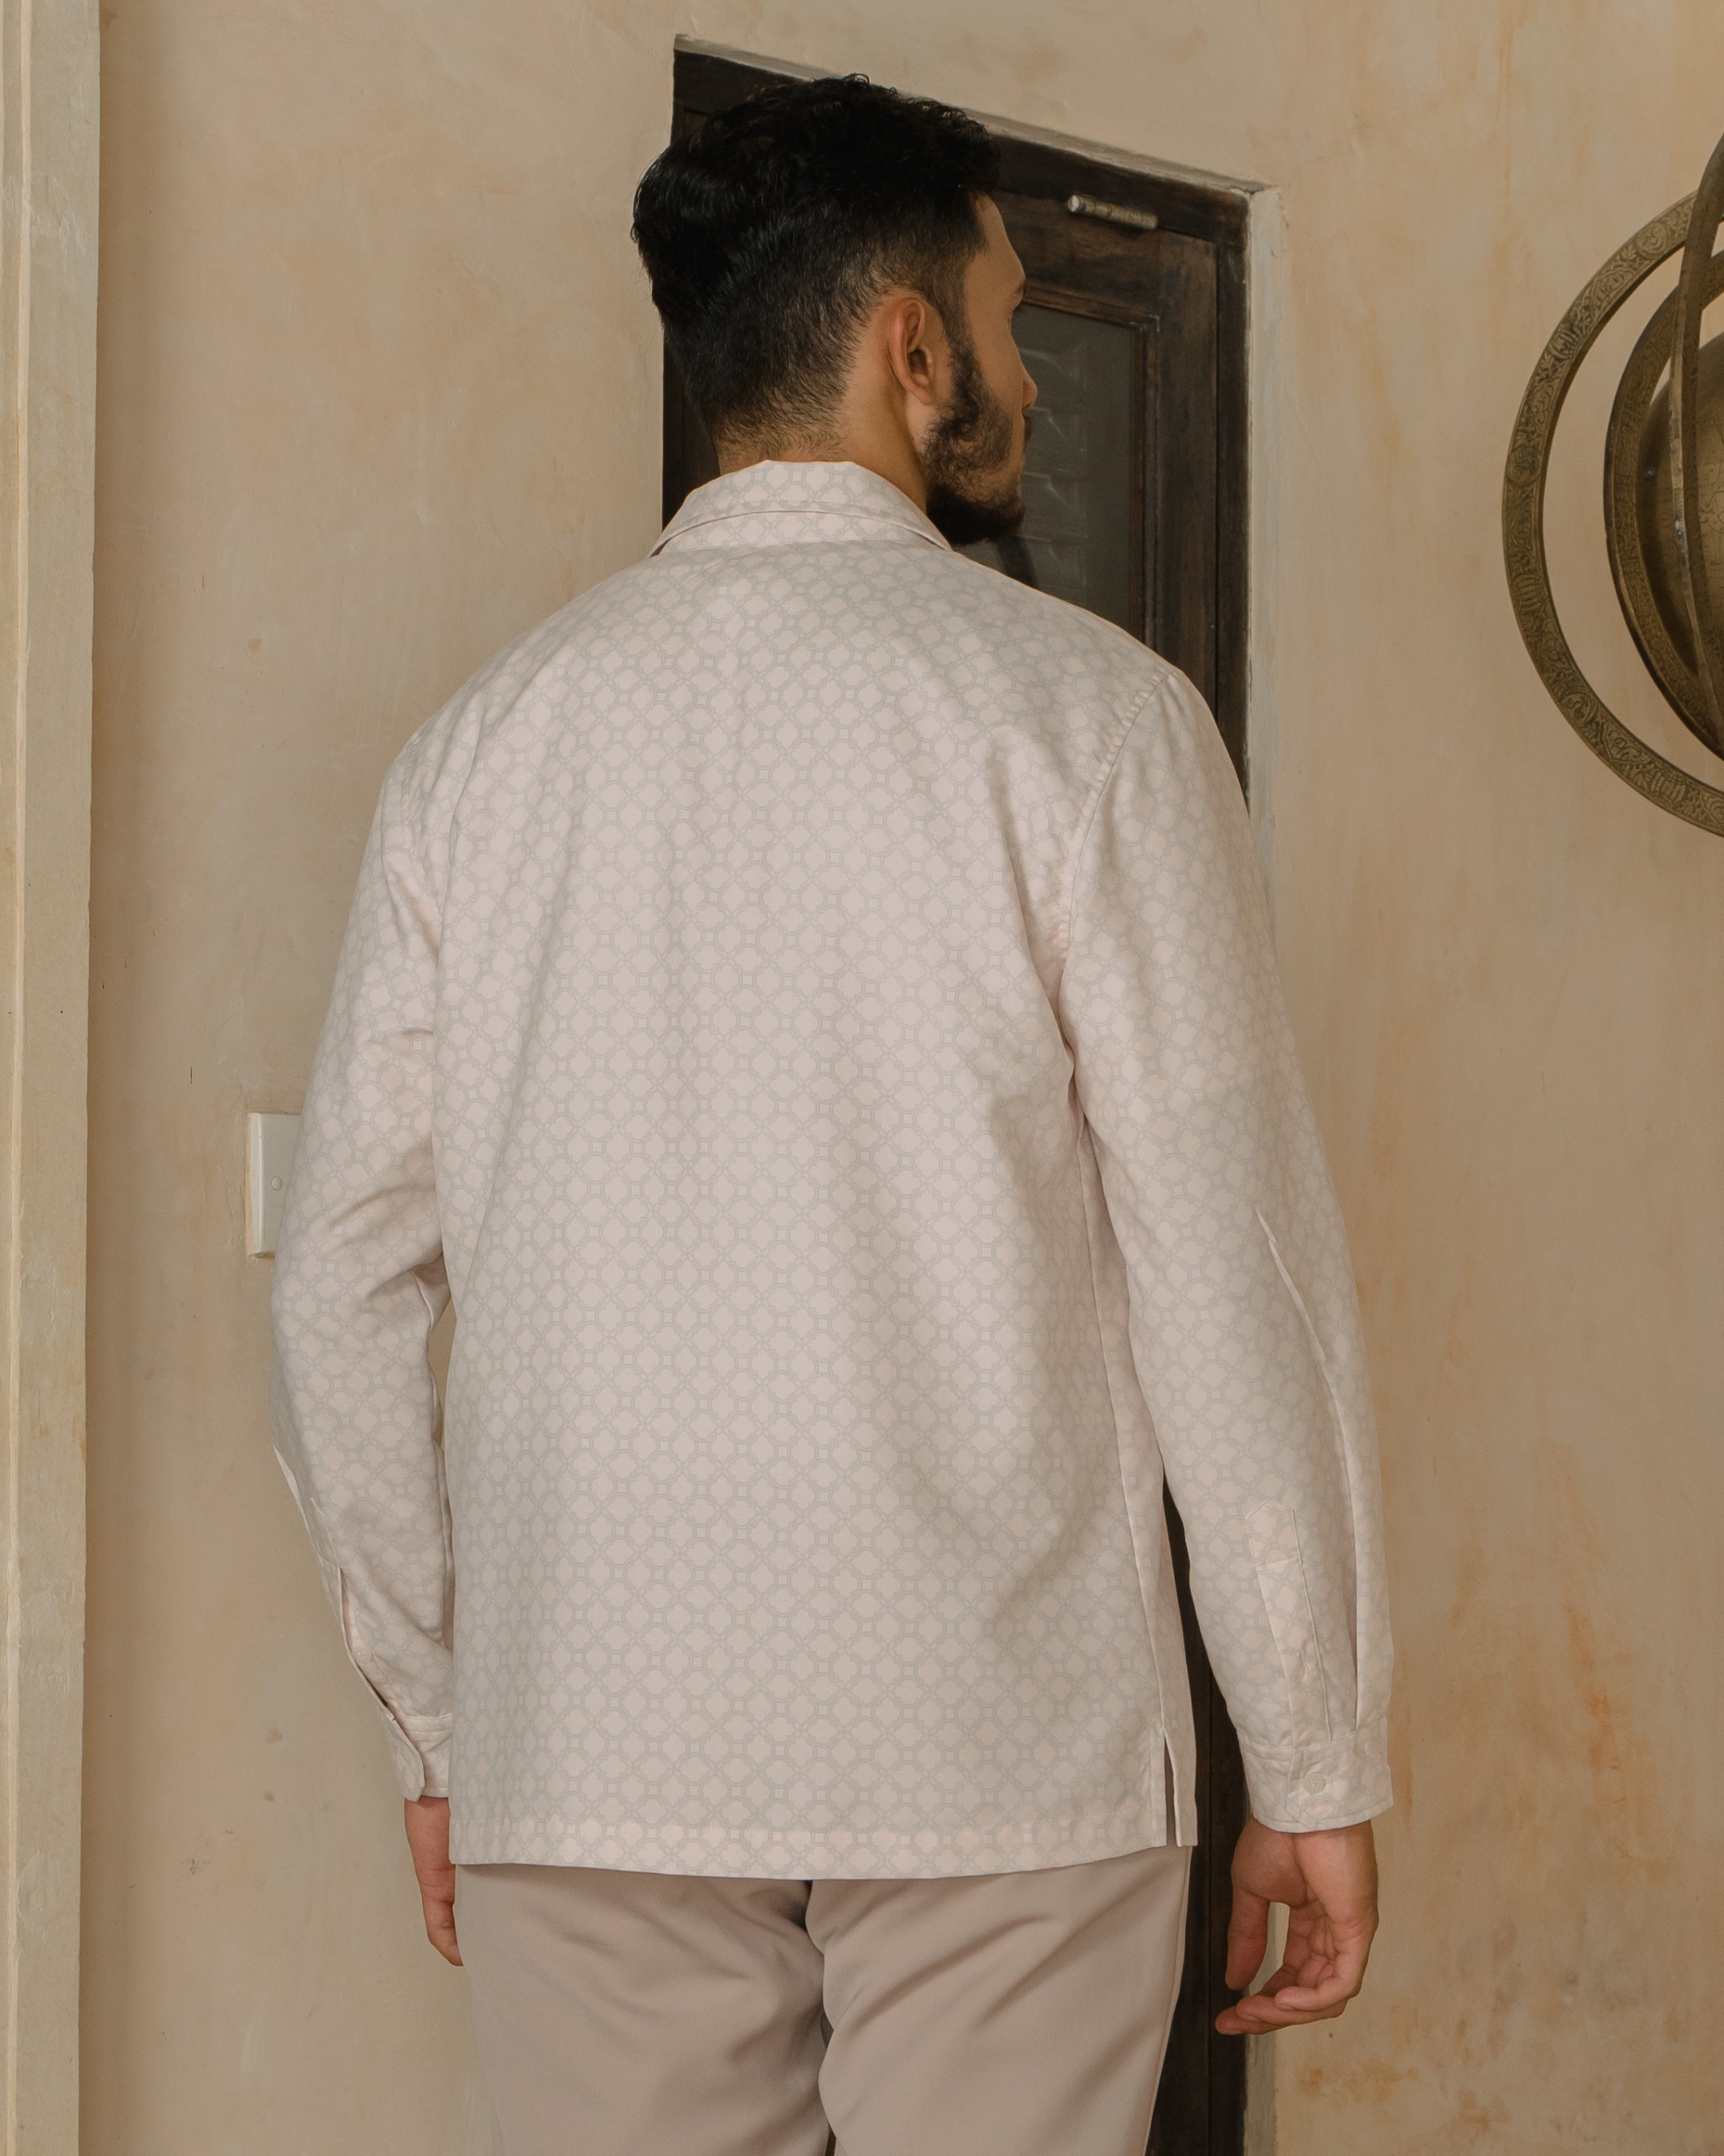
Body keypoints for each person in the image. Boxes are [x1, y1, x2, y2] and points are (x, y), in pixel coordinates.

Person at [270, 73, 1392, 2156]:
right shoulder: (1092, 725)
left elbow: (338, 1284)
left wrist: (446, 1716)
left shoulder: (483, 752)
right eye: (1008, 317)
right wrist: (1313, 1760)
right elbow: (1231, 1279)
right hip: (1004, 1744)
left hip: (589, 1741)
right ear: (908, 348)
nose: (1027, 379)